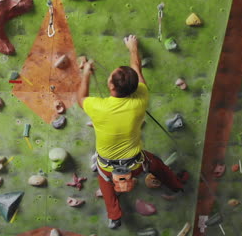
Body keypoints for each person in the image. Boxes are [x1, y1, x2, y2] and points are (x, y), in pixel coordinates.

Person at [77, 35, 188, 229]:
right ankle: (177, 185)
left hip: (107, 166)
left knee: (105, 182)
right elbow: (137, 68)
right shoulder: (141, 99)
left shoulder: (98, 107)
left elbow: (81, 97)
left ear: (110, 86)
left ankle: (114, 216)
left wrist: (86, 73)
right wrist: (133, 48)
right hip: (136, 164)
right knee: (157, 165)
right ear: (135, 88)